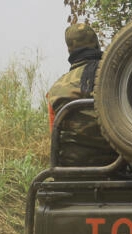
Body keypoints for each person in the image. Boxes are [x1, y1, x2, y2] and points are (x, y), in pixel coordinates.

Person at [45, 23, 118, 167]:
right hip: (115, 166)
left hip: (70, 169)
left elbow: (54, 137)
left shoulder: (55, 90)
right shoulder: (119, 79)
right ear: (97, 45)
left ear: (69, 51)